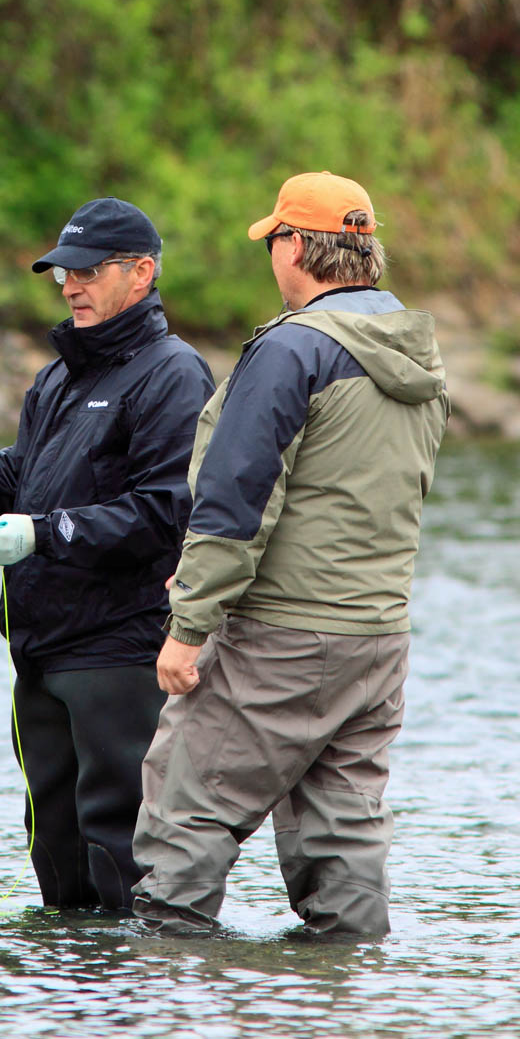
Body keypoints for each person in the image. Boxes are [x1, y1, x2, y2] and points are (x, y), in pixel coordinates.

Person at [132, 171, 450, 936]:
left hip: (279, 639)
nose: (271, 256)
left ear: (299, 247)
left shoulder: (292, 351)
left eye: (274, 239)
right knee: (343, 838)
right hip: (378, 642)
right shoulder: (419, 354)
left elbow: (240, 498)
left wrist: (188, 625)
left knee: (185, 806)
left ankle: (160, 997)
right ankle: (336, 996)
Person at [0, 197, 215, 912]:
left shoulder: (173, 374)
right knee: (54, 845)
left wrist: (43, 532)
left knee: (118, 844)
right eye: (63, 272)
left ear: (142, 273)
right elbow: (14, 472)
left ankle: (133, 1000)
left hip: (120, 651)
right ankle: (61, 1002)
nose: (70, 286)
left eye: (89, 271)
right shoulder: (60, 375)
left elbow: (169, 510)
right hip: (39, 650)